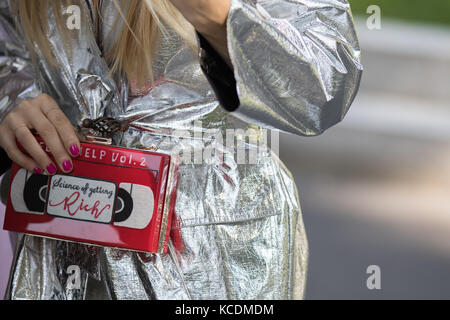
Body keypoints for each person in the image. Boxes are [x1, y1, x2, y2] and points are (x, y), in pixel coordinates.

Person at [0, 0, 362, 299]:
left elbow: (324, 89)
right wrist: (10, 96)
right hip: (60, 236)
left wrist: (220, 18)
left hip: (211, 254)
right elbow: (8, 47)